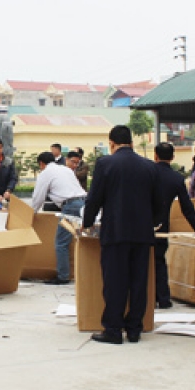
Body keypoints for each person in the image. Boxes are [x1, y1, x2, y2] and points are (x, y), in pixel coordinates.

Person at [82, 125, 164, 345]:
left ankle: (113, 329)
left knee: (115, 282)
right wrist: (153, 223)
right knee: (138, 282)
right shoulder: (149, 167)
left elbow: (94, 198)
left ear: (111, 143)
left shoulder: (105, 164)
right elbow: (158, 201)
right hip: (142, 233)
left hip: (116, 232)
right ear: (132, 142)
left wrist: (87, 223)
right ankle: (135, 329)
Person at [153, 142, 195, 309]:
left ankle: (147, 297)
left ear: (155, 155)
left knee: (142, 262)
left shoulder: (147, 173)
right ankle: (163, 299)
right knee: (159, 260)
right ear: (173, 158)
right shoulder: (176, 179)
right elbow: (186, 207)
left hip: (141, 224)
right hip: (162, 226)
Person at [31, 152, 87, 286]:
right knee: (85, 241)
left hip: (71, 207)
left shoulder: (45, 173)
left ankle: (63, 277)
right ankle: (88, 273)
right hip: (85, 203)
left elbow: (38, 198)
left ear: (41, 164)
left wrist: (30, 214)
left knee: (61, 243)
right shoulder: (65, 169)